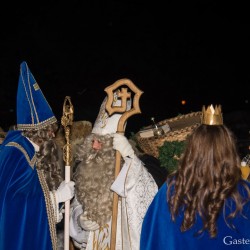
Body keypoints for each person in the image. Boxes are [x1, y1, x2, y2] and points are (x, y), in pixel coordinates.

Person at [140, 104, 250, 250]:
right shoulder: (244, 191)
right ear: (229, 150)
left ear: (192, 149)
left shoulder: (172, 189)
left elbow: (153, 240)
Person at [69, 89, 158, 250]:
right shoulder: (86, 170)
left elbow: (145, 199)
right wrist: (79, 221)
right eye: (93, 141)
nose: (95, 147)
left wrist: (131, 159)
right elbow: (76, 205)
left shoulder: (130, 168)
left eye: (101, 142)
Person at [0, 61, 75, 250]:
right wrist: (55, 198)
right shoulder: (16, 152)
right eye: (51, 132)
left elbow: (30, 196)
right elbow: (12, 205)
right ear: (44, 132)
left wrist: (57, 207)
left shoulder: (31, 152)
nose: (52, 136)